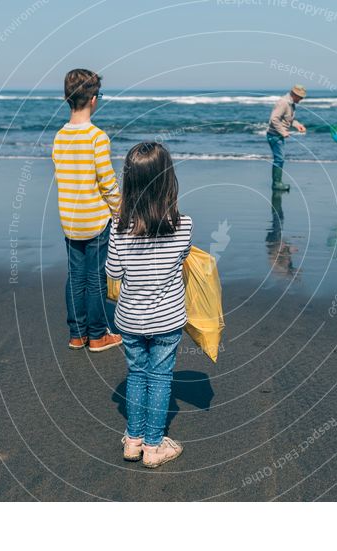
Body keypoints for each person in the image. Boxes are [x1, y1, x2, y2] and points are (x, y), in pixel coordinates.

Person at [106, 142, 193, 468]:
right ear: (168, 180)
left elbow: (113, 272)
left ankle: (133, 440)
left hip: (129, 318)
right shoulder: (184, 225)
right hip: (168, 318)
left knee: (137, 374)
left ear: (128, 182)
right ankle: (154, 447)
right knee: (159, 379)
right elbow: (181, 260)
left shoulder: (118, 228)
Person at [53, 68, 123, 352]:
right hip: (95, 220)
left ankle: (76, 333)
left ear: (66, 98)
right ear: (94, 99)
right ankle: (97, 335)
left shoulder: (59, 137)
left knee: (75, 276)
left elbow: (64, 177)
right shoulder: (97, 137)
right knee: (96, 279)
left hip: (69, 220)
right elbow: (106, 180)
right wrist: (119, 209)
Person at [266, 84, 307, 191]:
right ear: (294, 94)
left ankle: (277, 183)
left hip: (278, 135)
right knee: (279, 159)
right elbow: (274, 119)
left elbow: (289, 119)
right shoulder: (283, 103)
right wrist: (283, 132)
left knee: (280, 158)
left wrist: (298, 125)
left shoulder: (291, 104)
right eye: (300, 97)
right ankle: (276, 184)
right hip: (274, 135)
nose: (301, 99)